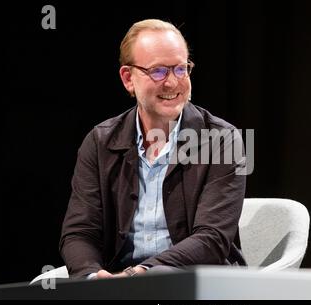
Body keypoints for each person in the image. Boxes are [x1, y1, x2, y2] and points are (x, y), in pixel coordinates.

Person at [59, 19, 246, 279]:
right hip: (116, 279)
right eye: (158, 71)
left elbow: (212, 239)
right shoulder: (100, 141)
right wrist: (93, 276)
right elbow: (80, 232)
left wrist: (140, 274)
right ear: (128, 78)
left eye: (181, 69)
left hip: (193, 279)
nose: (172, 83)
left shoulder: (222, 139)